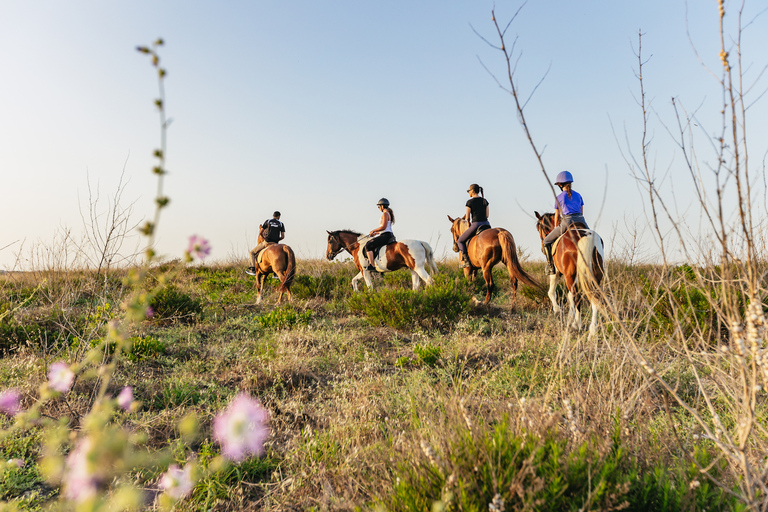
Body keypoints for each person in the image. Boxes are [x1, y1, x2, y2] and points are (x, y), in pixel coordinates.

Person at [542, 171, 588, 275]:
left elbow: (557, 215)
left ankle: (550, 266)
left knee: (546, 241)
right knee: (591, 237)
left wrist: (555, 227)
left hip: (567, 221)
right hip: (581, 220)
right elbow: (581, 212)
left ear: (560, 185)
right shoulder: (579, 195)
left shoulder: (559, 197)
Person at [456, 184, 490, 268]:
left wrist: (468, 223)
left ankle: (466, 261)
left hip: (476, 224)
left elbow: (467, 217)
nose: (468, 193)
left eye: (468, 191)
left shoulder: (469, 202)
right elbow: (487, 215)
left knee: (460, 241)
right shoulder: (485, 201)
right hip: (487, 224)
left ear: (472, 191)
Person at [364, 198, 395, 271]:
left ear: (382, 206)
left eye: (379, 206)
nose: (378, 208)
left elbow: (383, 227)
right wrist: (376, 233)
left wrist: (373, 230)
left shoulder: (385, 214)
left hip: (386, 236)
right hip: (386, 234)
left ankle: (372, 266)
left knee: (368, 245)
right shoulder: (388, 213)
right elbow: (386, 228)